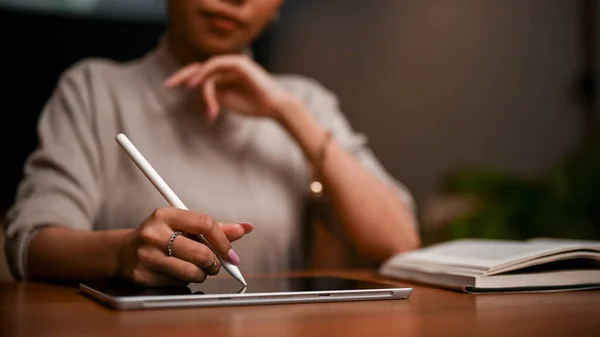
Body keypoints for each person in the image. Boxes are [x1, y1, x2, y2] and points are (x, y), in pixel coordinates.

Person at [4, 0, 420, 287]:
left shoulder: (305, 101)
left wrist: (288, 114)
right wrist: (122, 252)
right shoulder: (96, 89)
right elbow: (30, 245)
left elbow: (399, 242)